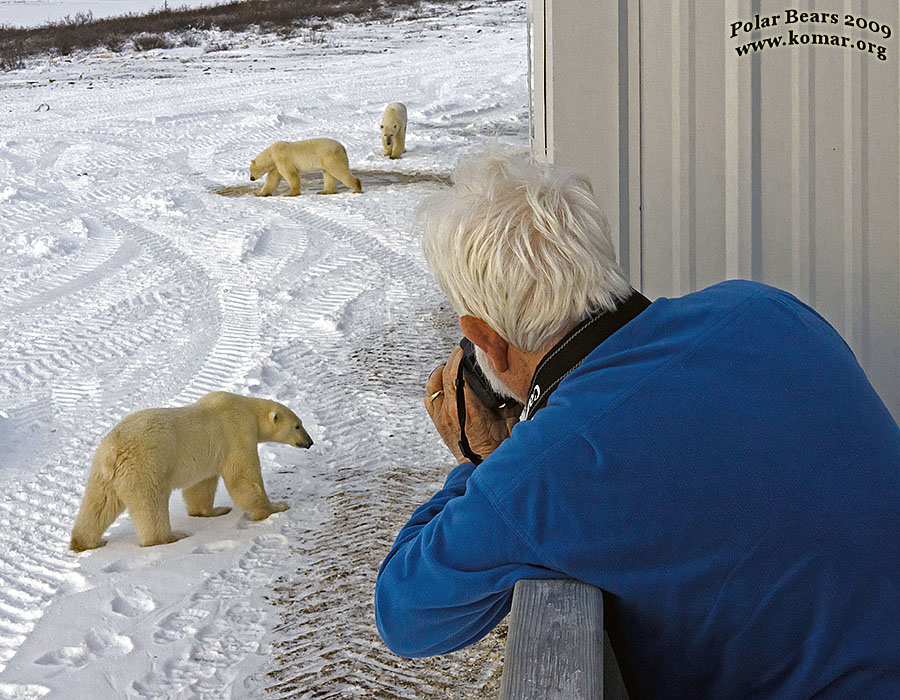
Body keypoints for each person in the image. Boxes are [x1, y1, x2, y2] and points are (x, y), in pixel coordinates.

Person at [374, 147, 900, 699]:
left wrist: (479, 458)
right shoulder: (765, 308)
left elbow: (405, 615)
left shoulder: (544, 469)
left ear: (486, 340)